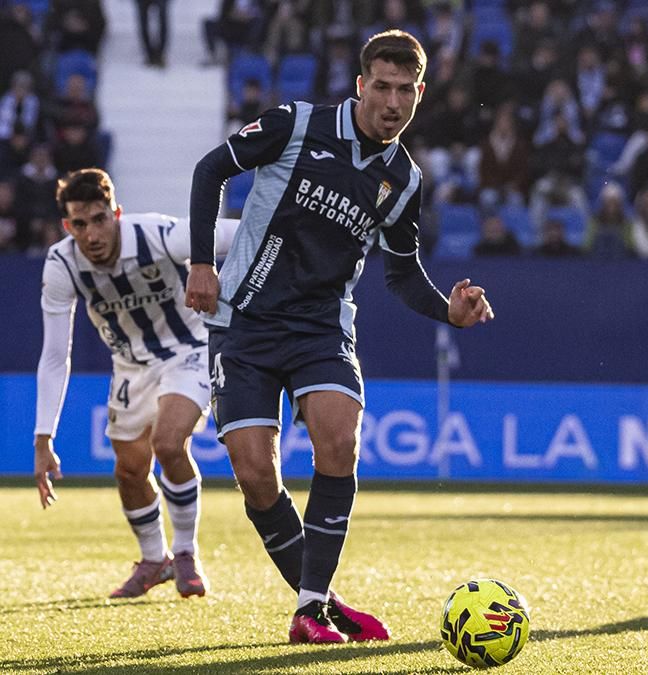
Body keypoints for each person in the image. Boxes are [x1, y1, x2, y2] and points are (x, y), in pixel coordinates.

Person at [185, 30, 494, 644]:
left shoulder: (404, 180)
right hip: (245, 319)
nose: (393, 102)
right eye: (382, 87)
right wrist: (201, 262)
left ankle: (308, 610)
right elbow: (211, 169)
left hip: (322, 326)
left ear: (420, 93)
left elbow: (402, 274)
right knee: (254, 472)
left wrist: (448, 312)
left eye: (406, 90)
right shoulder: (295, 125)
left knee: (339, 439)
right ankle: (322, 602)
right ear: (360, 86)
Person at [35, 168, 237, 598]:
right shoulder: (61, 263)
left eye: (100, 219)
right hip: (130, 366)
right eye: (79, 224)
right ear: (67, 226)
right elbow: (55, 354)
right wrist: (43, 437)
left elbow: (223, 233)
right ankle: (153, 559)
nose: (91, 234)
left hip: (189, 350)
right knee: (129, 471)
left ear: (117, 214)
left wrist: (296, 224)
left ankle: (185, 553)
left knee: (168, 443)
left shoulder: (154, 234)